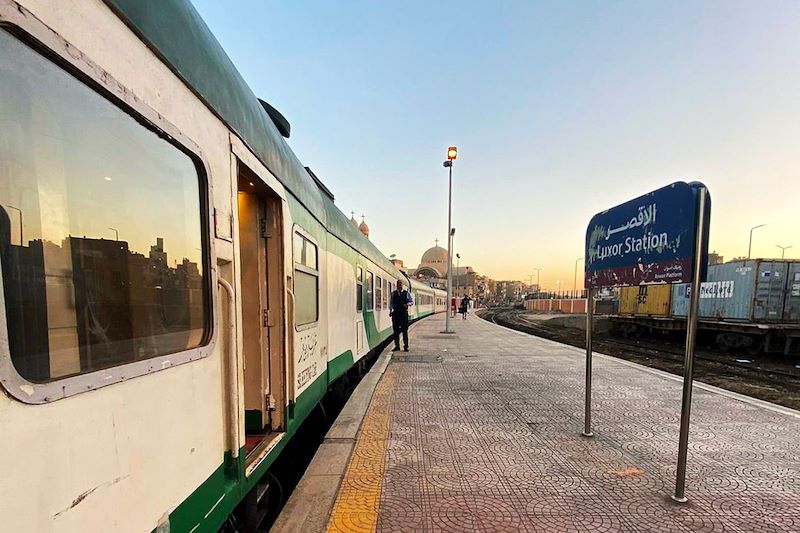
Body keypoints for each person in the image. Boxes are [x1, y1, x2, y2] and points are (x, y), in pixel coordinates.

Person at [389, 279, 413, 351]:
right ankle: (397, 346)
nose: (399, 286)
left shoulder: (406, 293)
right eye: (398, 284)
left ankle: (406, 346)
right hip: (396, 314)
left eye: (400, 284)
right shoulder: (393, 293)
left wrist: (407, 304)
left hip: (403, 314)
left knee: (404, 331)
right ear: (397, 285)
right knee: (395, 331)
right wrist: (390, 311)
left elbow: (411, 302)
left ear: (402, 285)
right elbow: (391, 303)